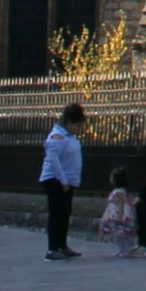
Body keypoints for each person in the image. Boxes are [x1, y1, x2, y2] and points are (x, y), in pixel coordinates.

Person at [38, 102, 85, 261]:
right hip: (55, 180)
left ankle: (62, 245)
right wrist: (63, 180)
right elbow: (53, 160)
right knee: (56, 214)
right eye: (78, 126)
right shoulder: (57, 136)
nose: (79, 130)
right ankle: (52, 249)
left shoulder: (68, 136)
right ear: (70, 122)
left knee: (65, 214)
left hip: (67, 182)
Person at [97, 168, 139, 256]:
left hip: (118, 214)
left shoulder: (120, 192)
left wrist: (120, 215)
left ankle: (126, 249)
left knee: (123, 233)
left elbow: (121, 204)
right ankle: (121, 249)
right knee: (118, 233)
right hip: (113, 213)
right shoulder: (118, 191)